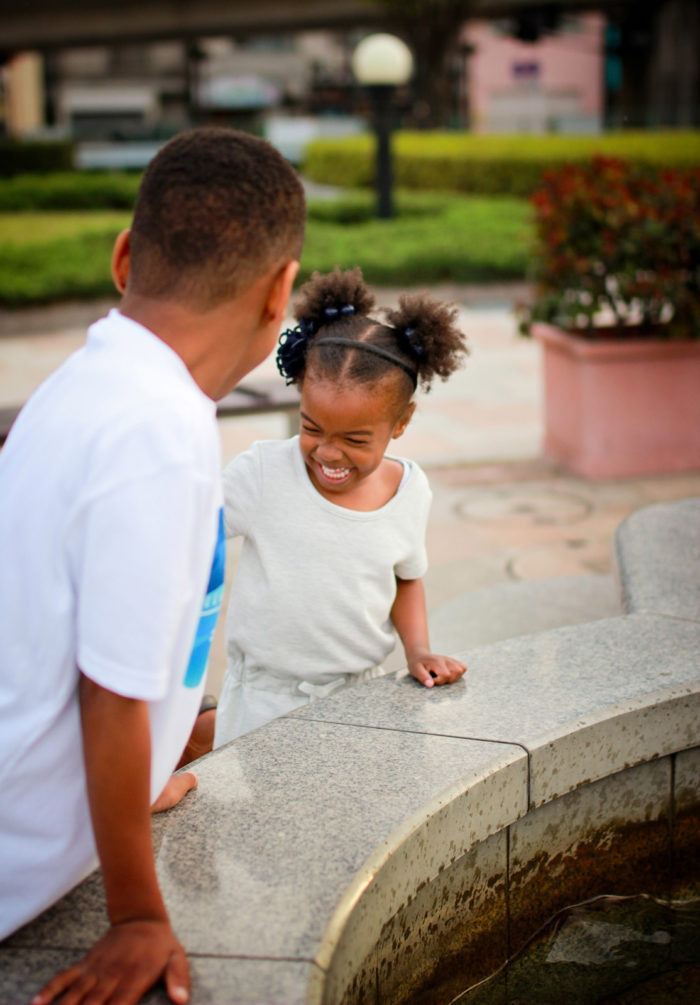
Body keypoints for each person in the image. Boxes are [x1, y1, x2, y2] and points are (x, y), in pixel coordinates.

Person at [0, 126, 305, 1005]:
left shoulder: (89, 380)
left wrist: (131, 790)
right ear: (278, 291)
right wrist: (137, 914)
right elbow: (112, 690)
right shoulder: (160, 432)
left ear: (125, 255)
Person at [213, 267, 468, 747]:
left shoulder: (410, 491)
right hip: (263, 700)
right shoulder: (265, 473)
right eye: (312, 427)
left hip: (359, 699)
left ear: (401, 422)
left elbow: (405, 579)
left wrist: (418, 650)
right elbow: (187, 525)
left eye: (353, 439)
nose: (328, 452)